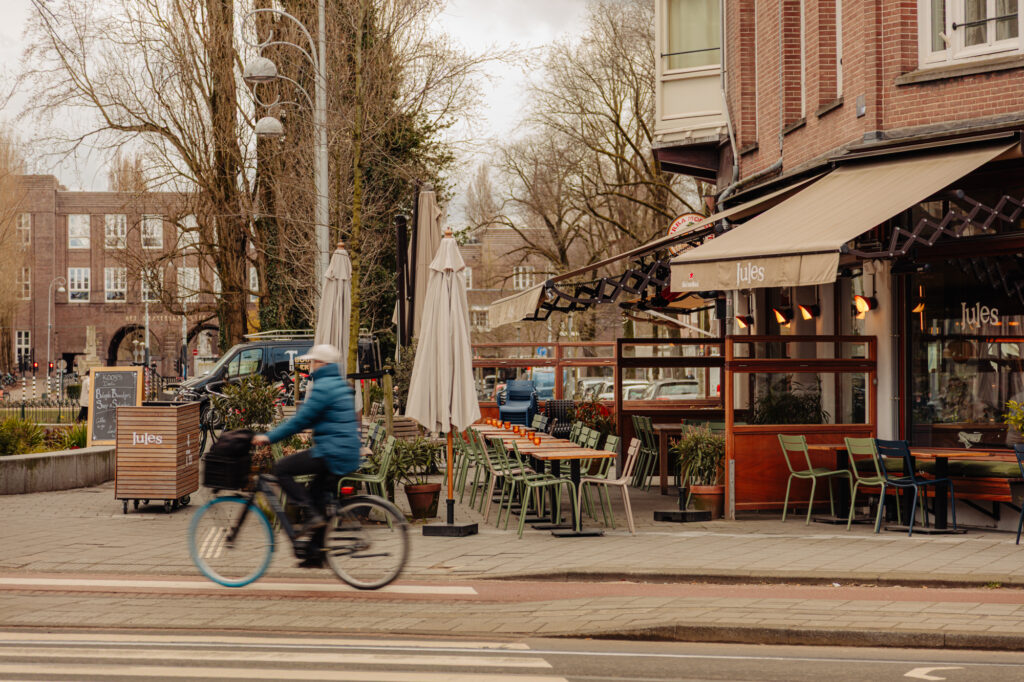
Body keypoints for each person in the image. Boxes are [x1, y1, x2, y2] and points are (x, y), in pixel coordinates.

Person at [252, 344, 360, 566]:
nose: (310, 366)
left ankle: (310, 516)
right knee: (318, 496)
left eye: (313, 362)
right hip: (345, 452)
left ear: (322, 364)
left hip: (332, 452)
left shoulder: (324, 386)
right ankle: (314, 555)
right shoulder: (339, 383)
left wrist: (269, 437)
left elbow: (301, 420)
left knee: (281, 468)